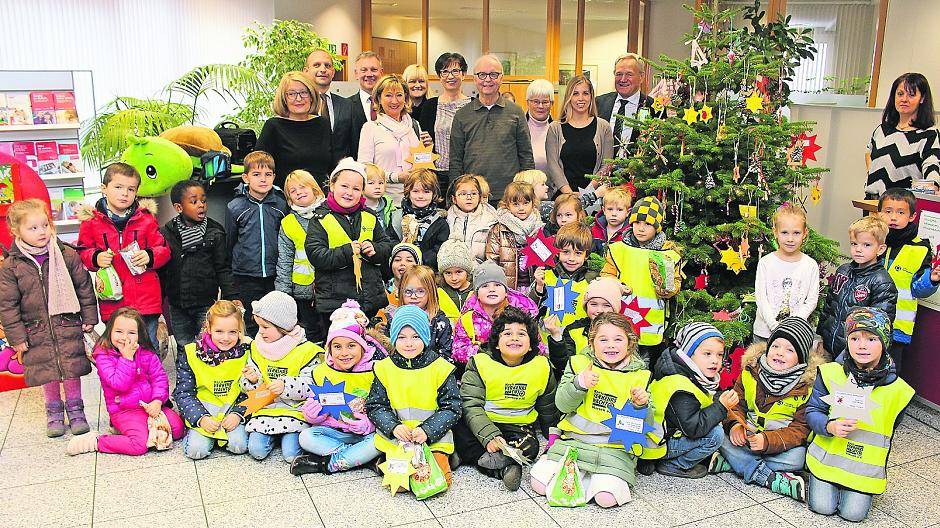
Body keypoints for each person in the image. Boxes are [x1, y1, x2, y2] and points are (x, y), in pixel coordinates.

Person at [530, 312, 656, 508]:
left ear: (630, 343)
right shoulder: (579, 365)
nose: (611, 345)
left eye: (618, 339)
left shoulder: (641, 376)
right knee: (537, 483)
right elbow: (562, 405)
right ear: (592, 343)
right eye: (603, 339)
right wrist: (578, 384)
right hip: (574, 443)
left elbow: (645, 425)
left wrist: (641, 406)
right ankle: (581, 478)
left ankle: (587, 482)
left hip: (614, 450)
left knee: (606, 500)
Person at [805, 307, 914, 522]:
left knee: (853, 515)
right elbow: (812, 412)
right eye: (854, 338)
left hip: (863, 470)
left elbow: (890, 427)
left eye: (871, 339)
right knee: (822, 507)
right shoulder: (830, 374)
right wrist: (829, 426)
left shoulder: (899, 390)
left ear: (884, 342)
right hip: (827, 461)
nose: (862, 346)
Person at [0, 199, 97, 437]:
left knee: (72, 368)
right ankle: (53, 413)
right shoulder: (12, 266)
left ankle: (76, 410)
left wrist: (89, 316)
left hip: (67, 324)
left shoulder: (66, 254)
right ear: (16, 231)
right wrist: (17, 337)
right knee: (47, 371)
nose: (42, 232)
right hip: (35, 329)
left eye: (45, 225)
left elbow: (83, 286)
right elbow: (8, 305)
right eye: (33, 228)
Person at [709, 317, 826, 501]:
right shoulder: (751, 371)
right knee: (718, 435)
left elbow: (800, 429)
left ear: (801, 357)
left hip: (778, 445)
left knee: (799, 457)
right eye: (776, 346)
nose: (780, 353)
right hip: (747, 436)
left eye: (789, 350)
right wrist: (734, 426)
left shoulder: (806, 387)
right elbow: (735, 405)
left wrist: (768, 441)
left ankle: (734, 463)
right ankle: (769, 477)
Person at [457, 306, 558, 491]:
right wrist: (489, 437)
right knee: (461, 434)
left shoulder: (541, 366)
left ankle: (484, 459)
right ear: (496, 343)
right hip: (482, 422)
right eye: (507, 333)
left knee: (529, 447)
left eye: (521, 334)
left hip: (518, 427)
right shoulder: (480, 363)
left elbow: (548, 405)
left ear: (530, 344)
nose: (514, 338)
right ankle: (503, 466)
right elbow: (471, 404)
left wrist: (552, 435)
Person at [366, 305, 463, 492]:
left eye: (416, 336)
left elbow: (452, 407)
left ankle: (447, 457)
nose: (409, 343)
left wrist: (427, 430)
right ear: (394, 339)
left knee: (438, 481)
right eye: (401, 337)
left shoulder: (440, 368)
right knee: (400, 486)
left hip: (432, 436)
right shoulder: (384, 368)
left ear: (425, 338)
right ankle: (382, 460)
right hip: (399, 437)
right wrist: (393, 427)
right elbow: (376, 405)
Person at [68, 307, 184, 456]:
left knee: (178, 429)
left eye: (131, 333)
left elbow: (159, 378)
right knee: (139, 446)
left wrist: (157, 401)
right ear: (109, 331)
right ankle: (97, 441)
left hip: (150, 407)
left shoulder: (146, 352)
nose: (124, 337)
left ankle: (134, 429)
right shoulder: (103, 356)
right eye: (119, 331)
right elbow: (119, 384)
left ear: (139, 335)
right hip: (124, 410)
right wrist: (127, 358)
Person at [77, 162, 169, 348]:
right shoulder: (92, 221)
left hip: (145, 300)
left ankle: (149, 378)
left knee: (148, 348)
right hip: (114, 302)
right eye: (118, 187)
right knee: (117, 350)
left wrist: (149, 256)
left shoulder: (146, 218)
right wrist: (95, 257)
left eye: (130, 189)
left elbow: (163, 249)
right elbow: (82, 251)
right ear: (104, 188)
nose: (124, 193)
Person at [291, 307, 381, 475]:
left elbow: (384, 408)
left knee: (379, 441)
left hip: (366, 434)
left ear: (363, 347)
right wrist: (312, 414)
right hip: (334, 433)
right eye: (337, 347)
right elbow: (313, 403)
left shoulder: (376, 372)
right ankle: (359, 458)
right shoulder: (321, 372)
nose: (344, 353)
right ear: (329, 349)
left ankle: (327, 464)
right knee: (306, 437)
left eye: (351, 346)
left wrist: (367, 425)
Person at [306, 158, 394, 330]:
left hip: (370, 299)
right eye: (344, 186)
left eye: (356, 189)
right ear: (332, 185)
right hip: (335, 302)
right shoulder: (320, 219)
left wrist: (374, 249)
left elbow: (386, 245)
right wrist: (347, 252)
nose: (349, 193)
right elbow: (316, 254)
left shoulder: (369, 215)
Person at [240, 291, 324, 463]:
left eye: (265, 327)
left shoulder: (307, 350)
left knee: (291, 454)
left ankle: (284, 437)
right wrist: (253, 380)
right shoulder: (256, 347)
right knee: (256, 451)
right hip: (265, 409)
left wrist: (286, 386)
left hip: (295, 410)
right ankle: (274, 437)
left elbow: (312, 385)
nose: (260, 332)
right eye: (259, 326)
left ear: (283, 326)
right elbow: (246, 387)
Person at [160, 180, 237, 360]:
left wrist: (233, 296)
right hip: (177, 304)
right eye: (194, 201)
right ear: (179, 207)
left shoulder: (215, 232)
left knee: (208, 343)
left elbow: (223, 268)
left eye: (203, 200)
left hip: (205, 302)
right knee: (183, 344)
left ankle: (205, 381)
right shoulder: (166, 233)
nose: (201, 205)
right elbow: (162, 272)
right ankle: (186, 384)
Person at [650, 322, 738, 478]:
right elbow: (693, 428)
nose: (715, 360)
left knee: (714, 425)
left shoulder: (690, 374)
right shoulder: (680, 384)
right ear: (689, 354)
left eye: (719, 354)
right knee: (716, 435)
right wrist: (721, 407)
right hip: (657, 444)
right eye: (707, 354)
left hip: (665, 435)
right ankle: (675, 465)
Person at [602, 196, 682, 362]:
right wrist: (616, 285)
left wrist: (666, 289)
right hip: (623, 317)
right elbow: (607, 276)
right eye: (637, 223)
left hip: (653, 323)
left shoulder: (667, 254)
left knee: (649, 362)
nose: (641, 228)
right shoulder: (619, 250)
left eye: (648, 224)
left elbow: (674, 284)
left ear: (657, 228)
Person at [449, 55, 535, 201]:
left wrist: (525, 194)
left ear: (501, 78)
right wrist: (458, 195)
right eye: (482, 75)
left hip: (510, 198)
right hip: (474, 197)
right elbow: (456, 161)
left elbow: (526, 156)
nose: (487, 80)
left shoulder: (516, 112)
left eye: (493, 74)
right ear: (475, 78)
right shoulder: (461, 116)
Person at [174, 300, 251, 460]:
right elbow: (183, 393)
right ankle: (195, 434)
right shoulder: (191, 353)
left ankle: (220, 436)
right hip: (203, 413)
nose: (226, 338)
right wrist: (201, 419)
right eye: (219, 331)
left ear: (240, 331)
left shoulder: (247, 351)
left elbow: (255, 390)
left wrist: (238, 414)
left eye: (233, 332)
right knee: (196, 451)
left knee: (239, 446)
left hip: (232, 415)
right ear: (208, 329)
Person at [225, 151, 289, 337]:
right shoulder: (235, 207)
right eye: (256, 174)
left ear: (274, 177)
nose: (263, 179)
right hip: (246, 275)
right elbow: (230, 242)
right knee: (251, 319)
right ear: (246, 177)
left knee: (274, 319)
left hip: (274, 273)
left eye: (268, 175)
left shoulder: (280, 205)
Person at [877, 188, 940, 370]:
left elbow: (918, 289)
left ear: (912, 216)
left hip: (897, 325)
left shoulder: (920, 248)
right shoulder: (872, 239)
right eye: (888, 212)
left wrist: (932, 279)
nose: (893, 217)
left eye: (901, 212)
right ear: (879, 213)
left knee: (890, 371)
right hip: (867, 320)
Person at [817, 215, 897, 356]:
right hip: (828, 347)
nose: (858, 249)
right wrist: (820, 338)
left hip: (855, 354)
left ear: (880, 249)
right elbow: (828, 307)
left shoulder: (882, 282)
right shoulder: (843, 271)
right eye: (854, 244)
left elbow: (879, 327)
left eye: (866, 245)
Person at [358, 74, 433, 205]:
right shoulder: (370, 128)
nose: (394, 101)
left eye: (399, 95)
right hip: (383, 201)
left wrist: (428, 150)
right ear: (378, 99)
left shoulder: (414, 125)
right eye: (388, 95)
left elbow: (423, 164)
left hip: (414, 200)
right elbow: (365, 169)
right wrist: (396, 177)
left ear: (405, 98)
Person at [452, 260, 541, 371]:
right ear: (477, 294)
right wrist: (490, 354)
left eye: (497, 285)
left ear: (506, 291)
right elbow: (458, 350)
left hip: (520, 372)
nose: (492, 289)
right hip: (483, 373)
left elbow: (538, 346)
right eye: (485, 286)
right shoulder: (468, 319)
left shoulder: (522, 315)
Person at [753, 204, 820, 343]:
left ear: (805, 233)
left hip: (794, 334)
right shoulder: (766, 263)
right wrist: (773, 325)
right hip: (764, 333)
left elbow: (811, 301)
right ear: (775, 232)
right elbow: (761, 298)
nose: (790, 239)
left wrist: (792, 326)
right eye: (784, 233)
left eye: (796, 233)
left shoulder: (810, 265)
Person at [865, 72, 940, 197]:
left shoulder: (929, 135)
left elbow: (932, 170)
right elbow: (869, 152)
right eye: (900, 94)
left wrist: (932, 188)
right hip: (872, 203)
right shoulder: (882, 130)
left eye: (911, 95)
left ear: (922, 98)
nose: (904, 99)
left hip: (903, 209)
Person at [256, 71, 333, 188]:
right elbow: (259, 168)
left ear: (312, 96)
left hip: (320, 198)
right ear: (284, 99)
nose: (298, 98)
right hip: (285, 198)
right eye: (291, 94)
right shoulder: (273, 126)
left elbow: (332, 164)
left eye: (303, 92)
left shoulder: (323, 124)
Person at [276, 170, 326, 340]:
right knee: (311, 332)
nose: (299, 192)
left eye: (303, 187)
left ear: (315, 190)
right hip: (303, 291)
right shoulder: (288, 223)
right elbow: (284, 260)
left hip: (330, 289)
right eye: (293, 191)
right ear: (289, 198)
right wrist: (284, 295)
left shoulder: (330, 214)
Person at [545, 75, 615, 195]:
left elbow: (607, 165)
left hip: (594, 197)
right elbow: (553, 166)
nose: (581, 98)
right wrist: (569, 194)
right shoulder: (555, 128)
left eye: (585, 93)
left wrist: (586, 193)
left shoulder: (604, 127)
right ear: (569, 97)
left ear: (591, 96)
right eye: (575, 93)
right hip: (562, 199)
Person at [545, 277, 623, 379]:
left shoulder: (624, 331)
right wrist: (556, 337)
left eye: (606, 305)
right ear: (586, 306)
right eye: (594, 304)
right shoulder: (573, 330)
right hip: (579, 383)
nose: (599, 310)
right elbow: (563, 364)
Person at [531, 223, 599, 329]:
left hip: (581, 342)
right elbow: (530, 308)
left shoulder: (593, 280)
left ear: (586, 255)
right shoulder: (547, 275)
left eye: (578, 253)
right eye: (566, 252)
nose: (571, 258)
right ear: (557, 252)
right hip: (548, 341)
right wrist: (538, 287)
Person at [418, 53, 472, 183]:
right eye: (445, 72)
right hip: (436, 175)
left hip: (467, 176)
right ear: (439, 76)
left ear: (464, 74)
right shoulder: (429, 106)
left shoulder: (473, 106)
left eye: (455, 71)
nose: (450, 76)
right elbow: (423, 143)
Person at [596, 54, 660, 156]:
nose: (623, 79)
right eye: (619, 74)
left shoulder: (654, 108)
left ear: (641, 77)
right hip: (601, 169)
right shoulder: (598, 103)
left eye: (629, 74)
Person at [485, 181, 544, 291]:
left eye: (526, 203)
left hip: (534, 285)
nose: (521, 208)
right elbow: (491, 260)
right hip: (508, 287)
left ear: (533, 203)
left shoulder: (539, 227)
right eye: (516, 204)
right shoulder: (499, 228)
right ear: (507, 204)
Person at [388, 168, 449, 269]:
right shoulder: (396, 217)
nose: (420, 196)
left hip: (427, 272)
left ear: (434, 194)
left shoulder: (440, 222)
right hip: (400, 270)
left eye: (426, 192)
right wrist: (400, 248)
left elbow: (440, 249)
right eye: (415, 191)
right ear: (408, 192)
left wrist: (418, 260)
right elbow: (388, 242)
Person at [304, 48, 355, 162]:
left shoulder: (347, 105)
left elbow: (353, 144)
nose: (323, 69)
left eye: (327, 66)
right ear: (306, 71)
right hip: (306, 175)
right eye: (317, 65)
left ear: (333, 73)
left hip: (340, 174)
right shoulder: (299, 106)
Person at [446, 174, 497, 263]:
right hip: (455, 269)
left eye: (473, 193)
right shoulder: (447, 219)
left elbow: (494, 253)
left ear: (480, 197)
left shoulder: (490, 219)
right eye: (463, 194)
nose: (469, 197)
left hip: (481, 269)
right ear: (454, 199)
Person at [348, 51, 385, 156]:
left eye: (374, 70)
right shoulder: (346, 106)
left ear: (381, 73)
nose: (369, 74)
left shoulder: (393, 105)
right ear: (356, 74)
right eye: (364, 70)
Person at [436, 239, 476, 322]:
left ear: (467, 272)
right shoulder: (438, 292)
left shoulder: (477, 291)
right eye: (448, 273)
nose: (454, 278)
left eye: (458, 272)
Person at [525, 79, 555, 174]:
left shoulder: (558, 130)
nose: (540, 106)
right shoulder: (518, 128)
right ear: (528, 102)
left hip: (552, 187)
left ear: (552, 104)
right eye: (536, 101)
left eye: (545, 102)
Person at [591, 187, 632, 254]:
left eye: (619, 210)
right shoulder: (595, 230)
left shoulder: (629, 233)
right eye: (610, 209)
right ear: (604, 210)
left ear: (627, 212)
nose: (614, 214)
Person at [363, 162, 397, 231]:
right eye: (371, 183)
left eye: (381, 183)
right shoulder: (357, 208)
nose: (377, 187)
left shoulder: (389, 205)